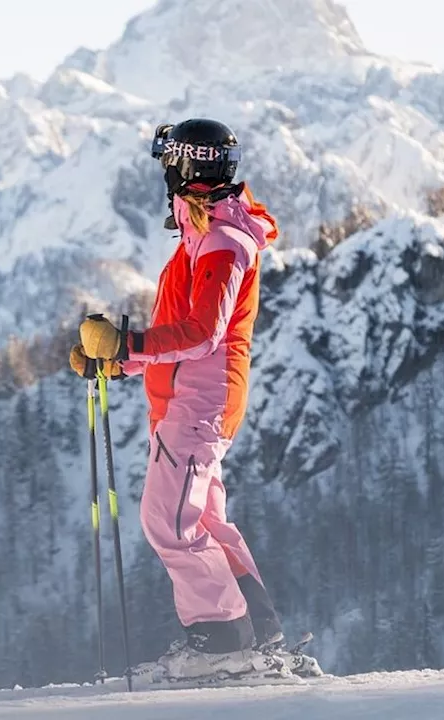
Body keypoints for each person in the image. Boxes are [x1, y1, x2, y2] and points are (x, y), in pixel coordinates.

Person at [70, 118, 318, 680]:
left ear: (188, 168)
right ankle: (257, 634)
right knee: (205, 519)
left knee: (167, 522)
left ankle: (222, 643)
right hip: (187, 399)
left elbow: (204, 334)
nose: (165, 176)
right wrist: (116, 360)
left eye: (169, 165)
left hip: (199, 404)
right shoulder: (200, 239)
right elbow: (177, 333)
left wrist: (128, 343)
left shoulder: (224, 246)